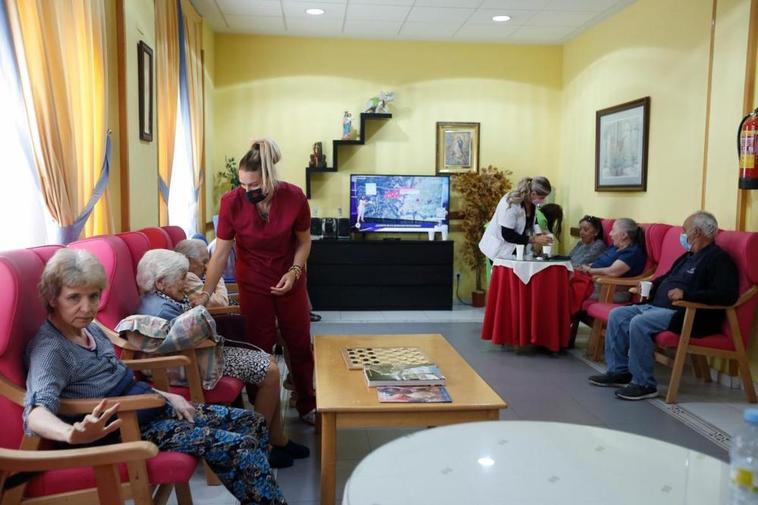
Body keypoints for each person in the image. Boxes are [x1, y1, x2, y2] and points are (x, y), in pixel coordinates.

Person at [24, 248, 287, 505]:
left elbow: (119, 378)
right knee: (240, 447)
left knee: (253, 423)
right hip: (124, 429)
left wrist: (164, 394)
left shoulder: (90, 329)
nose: (87, 307)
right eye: (74, 298)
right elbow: (35, 410)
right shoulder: (51, 349)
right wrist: (72, 433)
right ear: (52, 298)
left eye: (93, 296)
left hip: (148, 407)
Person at [135, 249, 308, 468]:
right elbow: (187, 337)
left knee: (269, 363)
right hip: (189, 364)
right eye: (180, 279)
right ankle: (261, 445)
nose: (184, 284)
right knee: (270, 371)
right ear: (160, 282)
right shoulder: (161, 308)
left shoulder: (161, 299)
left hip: (197, 355)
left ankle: (277, 439)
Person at [199, 138, 317, 425]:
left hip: (289, 277)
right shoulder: (231, 202)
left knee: (299, 342)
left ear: (269, 177)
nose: (247, 191)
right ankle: (262, 411)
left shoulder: (294, 197)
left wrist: (294, 272)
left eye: (253, 185)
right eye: (242, 185)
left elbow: (304, 242)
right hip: (252, 281)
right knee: (259, 346)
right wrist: (204, 294)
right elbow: (220, 253)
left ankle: (307, 404)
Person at [588, 211, 739, 400]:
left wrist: (687, 294)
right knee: (618, 315)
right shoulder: (688, 256)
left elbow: (727, 295)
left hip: (684, 313)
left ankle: (644, 384)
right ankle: (619, 372)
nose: (683, 236)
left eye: (685, 231)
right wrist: (650, 285)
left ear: (698, 232)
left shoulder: (719, 259)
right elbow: (667, 277)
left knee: (639, 322)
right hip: (657, 306)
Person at [569, 217, 647, 315]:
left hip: (611, 289)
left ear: (624, 235)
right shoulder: (615, 247)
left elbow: (612, 271)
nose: (610, 234)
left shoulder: (632, 252)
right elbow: (599, 262)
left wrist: (589, 270)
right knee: (561, 283)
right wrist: (587, 267)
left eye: (613, 230)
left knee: (567, 291)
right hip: (594, 282)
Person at [479, 176, 553, 261]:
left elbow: (533, 220)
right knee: (505, 274)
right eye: (541, 198)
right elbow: (507, 234)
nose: (543, 201)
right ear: (533, 194)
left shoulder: (531, 203)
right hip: (500, 248)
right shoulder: (510, 203)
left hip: (517, 249)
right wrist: (534, 239)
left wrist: (539, 234)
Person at [174, 238, 229, 308]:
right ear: (187, 261)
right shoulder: (187, 278)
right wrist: (217, 278)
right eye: (204, 262)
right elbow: (221, 304)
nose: (207, 267)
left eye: (207, 262)